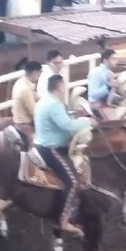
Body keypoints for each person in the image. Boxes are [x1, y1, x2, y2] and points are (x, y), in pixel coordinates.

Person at [33, 74, 96, 237]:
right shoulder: (54, 104)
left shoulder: (45, 101)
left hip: (42, 144)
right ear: (59, 87)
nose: (65, 89)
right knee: (73, 182)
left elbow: (63, 121)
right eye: (64, 86)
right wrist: (88, 122)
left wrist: (77, 116)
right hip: (51, 148)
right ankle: (62, 220)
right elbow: (67, 125)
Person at [11, 60, 42, 140]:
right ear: (35, 73)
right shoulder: (25, 89)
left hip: (20, 120)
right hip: (24, 124)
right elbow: (35, 112)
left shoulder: (21, 82)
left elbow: (37, 97)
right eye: (39, 74)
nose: (39, 77)